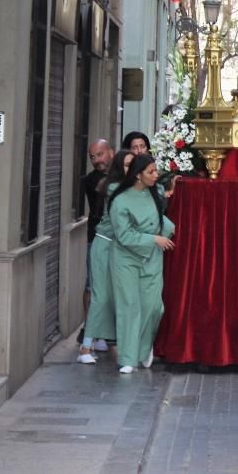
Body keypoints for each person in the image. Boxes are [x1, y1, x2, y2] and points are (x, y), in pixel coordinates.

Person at [108, 154, 175, 374]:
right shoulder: (120, 200)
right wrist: (153, 239)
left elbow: (159, 219)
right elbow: (124, 235)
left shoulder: (155, 193)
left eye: (156, 171)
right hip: (126, 258)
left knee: (154, 306)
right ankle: (128, 357)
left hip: (152, 256)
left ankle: (144, 348)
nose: (156, 175)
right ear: (138, 175)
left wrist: (167, 230)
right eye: (151, 172)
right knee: (129, 306)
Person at [77, 150, 134, 364]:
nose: (131, 170)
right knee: (100, 297)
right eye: (128, 165)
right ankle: (85, 347)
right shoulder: (115, 189)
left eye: (133, 165)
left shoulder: (125, 188)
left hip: (116, 247)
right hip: (104, 246)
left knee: (110, 297)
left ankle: (100, 338)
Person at [78, 139, 114, 346]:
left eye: (100, 155)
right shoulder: (92, 180)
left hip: (117, 239)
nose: (96, 160)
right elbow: (105, 187)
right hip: (97, 238)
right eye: (92, 157)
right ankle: (89, 330)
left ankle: (102, 332)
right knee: (92, 285)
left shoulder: (119, 175)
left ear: (111, 152)